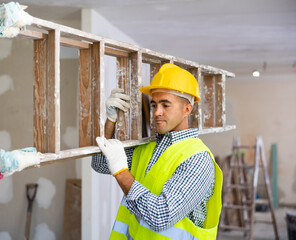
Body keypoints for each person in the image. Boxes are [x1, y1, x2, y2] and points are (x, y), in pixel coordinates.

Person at [92, 63, 223, 240]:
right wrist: (110, 120)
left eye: (165, 105)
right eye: (154, 105)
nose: (156, 112)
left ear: (187, 109)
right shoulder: (148, 148)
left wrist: (122, 172)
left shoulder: (197, 159)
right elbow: (100, 164)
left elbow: (161, 216)